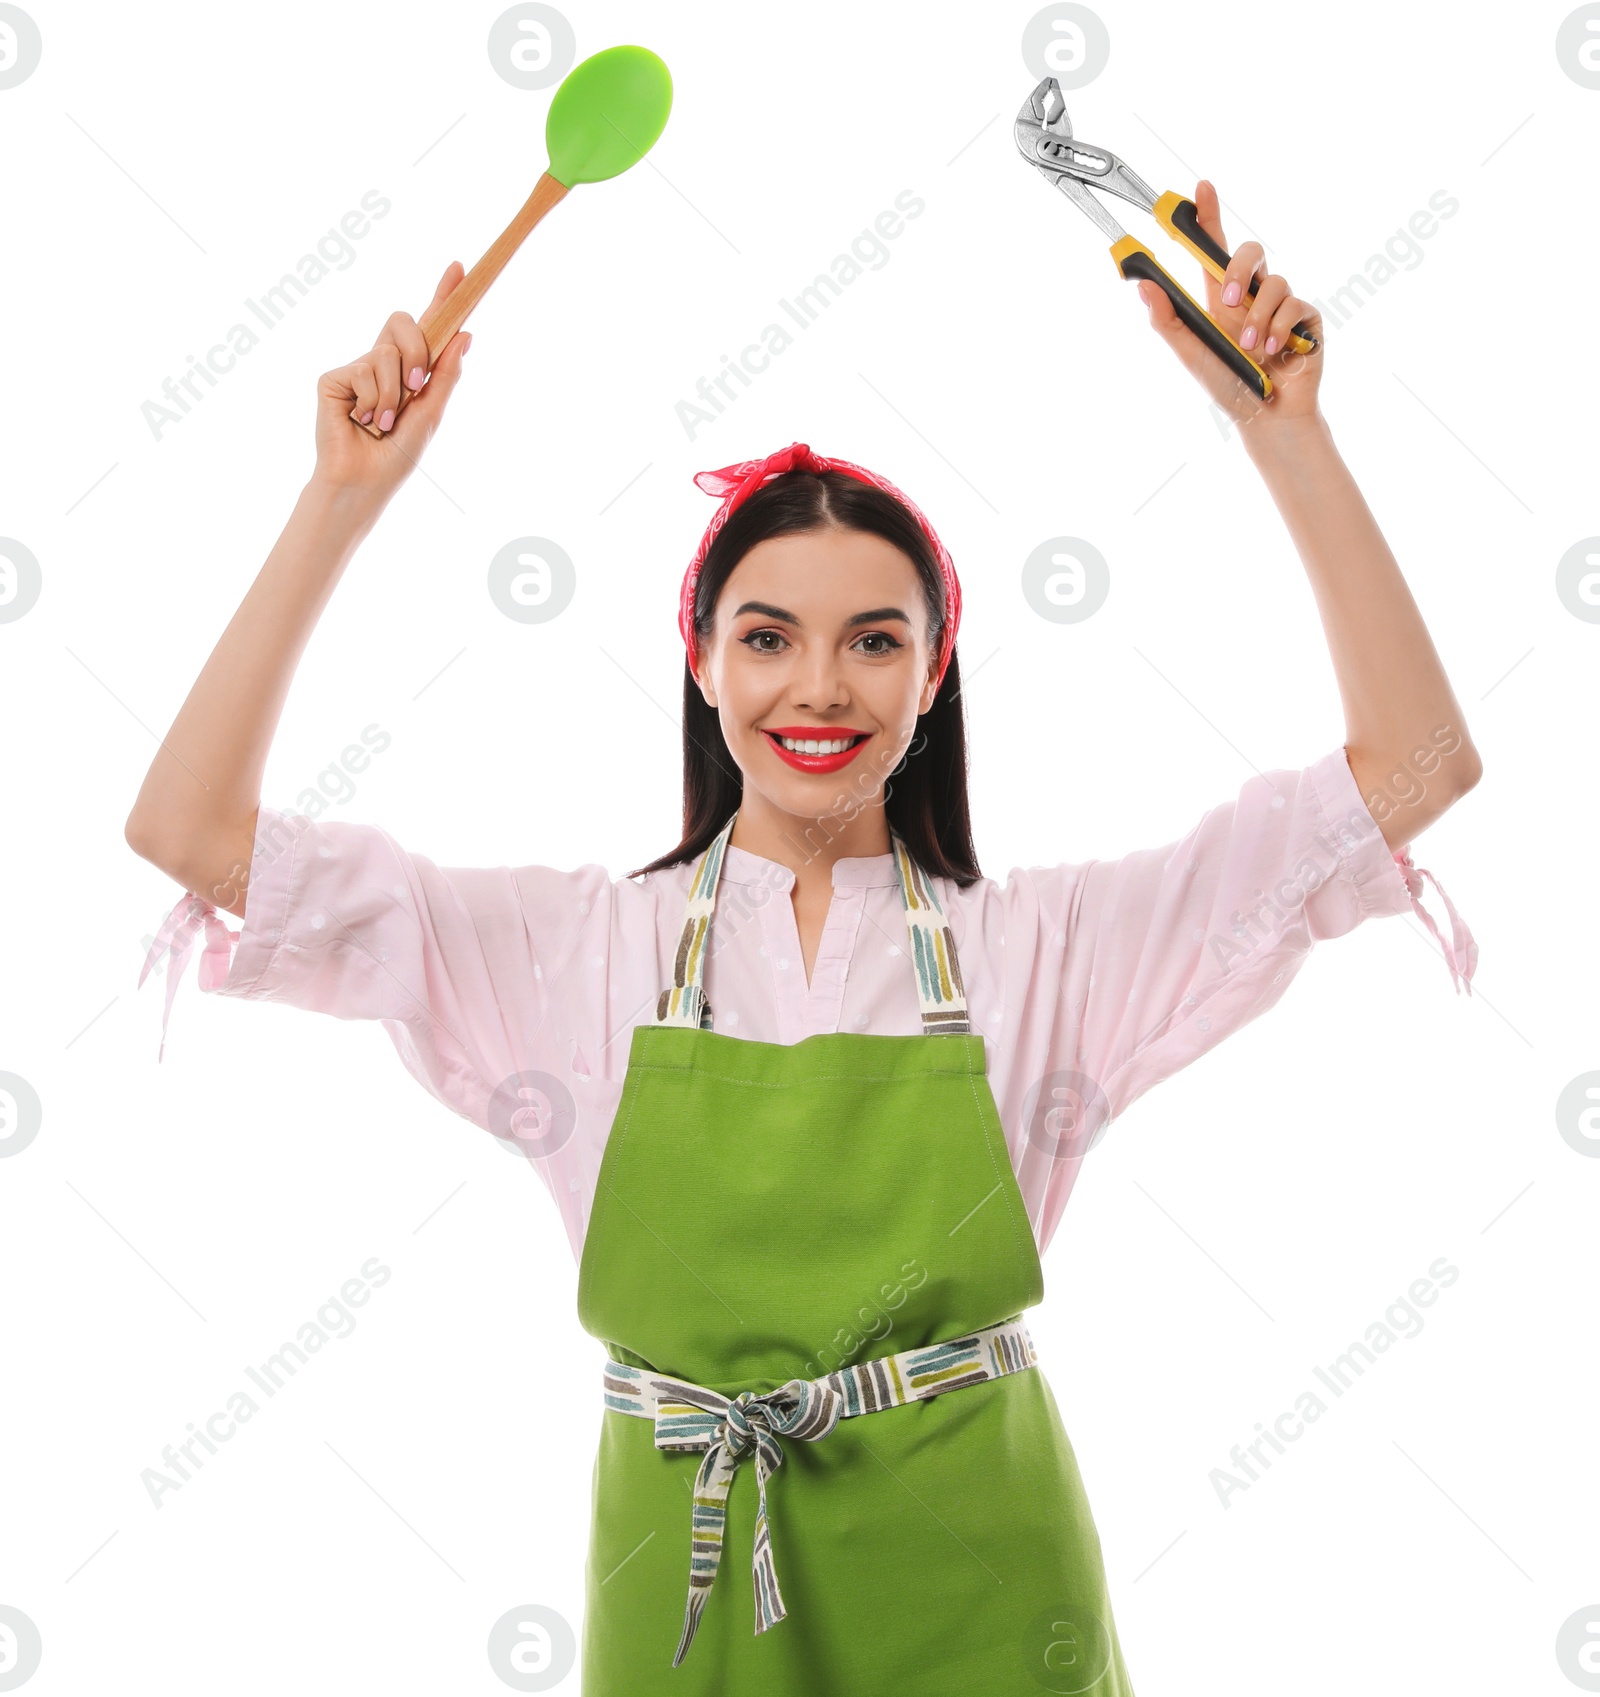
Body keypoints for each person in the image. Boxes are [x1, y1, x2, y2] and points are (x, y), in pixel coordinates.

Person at [128, 182, 1481, 1694]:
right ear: (701, 661)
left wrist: (1287, 435)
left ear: (934, 669)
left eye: (875, 638)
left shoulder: (1050, 946)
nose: (817, 687)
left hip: (989, 1588)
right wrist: (342, 499)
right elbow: (191, 834)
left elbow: (1417, 765)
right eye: (767, 635)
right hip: (693, 1589)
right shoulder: (572, 952)